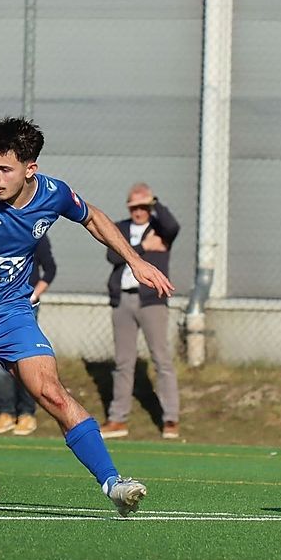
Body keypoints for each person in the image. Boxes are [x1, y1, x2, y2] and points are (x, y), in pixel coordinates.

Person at [0, 117, 173, 516]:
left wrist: (136, 261)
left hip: (9, 313)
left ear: (31, 169)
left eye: (5, 169)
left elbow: (93, 217)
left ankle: (113, 483)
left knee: (50, 391)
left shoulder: (53, 194)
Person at [101, 183, 181, 440]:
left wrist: (155, 202)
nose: (138, 212)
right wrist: (142, 248)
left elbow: (172, 226)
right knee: (123, 363)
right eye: (134, 207)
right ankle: (117, 418)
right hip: (123, 300)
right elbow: (113, 257)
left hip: (151, 302)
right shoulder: (121, 228)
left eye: (143, 206)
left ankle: (170, 419)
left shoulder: (160, 228)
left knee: (161, 359)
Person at [0, 233, 55, 436]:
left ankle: (27, 413)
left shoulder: (36, 234)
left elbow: (50, 270)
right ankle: (6, 413)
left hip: (25, 308)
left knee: (26, 361)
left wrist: (33, 296)